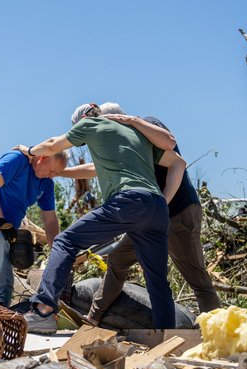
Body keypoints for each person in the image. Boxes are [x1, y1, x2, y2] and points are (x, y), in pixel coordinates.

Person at [15, 103, 186, 333]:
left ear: (83, 120)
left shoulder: (90, 124)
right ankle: (169, 336)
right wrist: (162, 201)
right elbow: (178, 162)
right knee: (157, 279)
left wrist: (29, 151)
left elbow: (52, 145)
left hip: (127, 202)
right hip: (155, 208)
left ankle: (43, 311)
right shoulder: (135, 134)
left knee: (65, 241)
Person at [62, 102, 221, 324]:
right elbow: (95, 169)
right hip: (150, 218)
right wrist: (61, 172)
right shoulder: (122, 145)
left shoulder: (147, 125)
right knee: (118, 258)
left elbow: (175, 158)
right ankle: (93, 319)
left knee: (196, 278)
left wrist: (163, 203)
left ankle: (214, 333)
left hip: (177, 213)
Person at [0, 150, 67, 306]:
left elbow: (50, 220)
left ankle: (3, 308)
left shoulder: (46, 184)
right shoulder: (18, 160)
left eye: (55, 174)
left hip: (7, 231)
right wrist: (0, 222)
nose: (51, 176)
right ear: (42, 158)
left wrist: (56, 252)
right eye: (51, 171)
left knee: (6, 283)